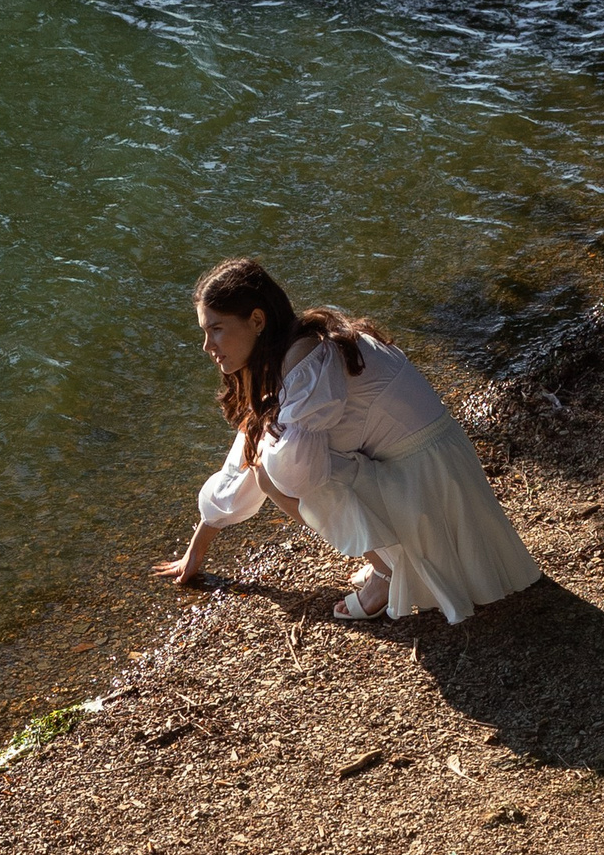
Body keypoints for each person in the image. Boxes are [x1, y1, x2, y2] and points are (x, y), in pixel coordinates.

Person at [154, 255, 541, 623]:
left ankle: (387, 572)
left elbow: (290, 477)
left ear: (257, 319)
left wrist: (261, 465)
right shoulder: (296, 346)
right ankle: (390, 559)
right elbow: (249, 445)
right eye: (204, 333)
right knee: (276, 458)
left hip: (426, 479)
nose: (208, 346)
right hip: (433, 465)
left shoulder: (305, 365)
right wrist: (199, 544)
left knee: (280, 471)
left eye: (216, 329)